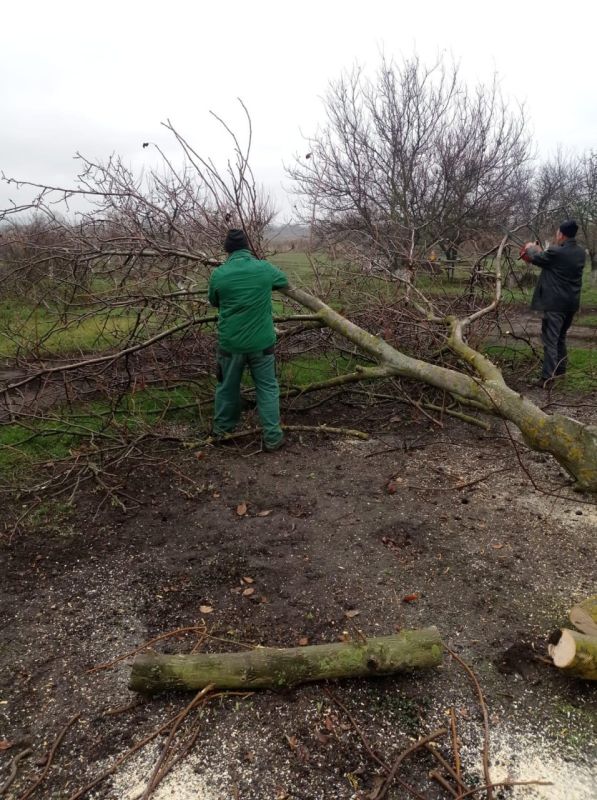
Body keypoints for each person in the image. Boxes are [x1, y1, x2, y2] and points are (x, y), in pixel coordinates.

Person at [207, 228, 289, 450]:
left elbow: (214, 301)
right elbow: (283, 280)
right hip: (262, 344)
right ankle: (273, 437)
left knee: (227, 388)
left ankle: (222, 432)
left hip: (230, 345)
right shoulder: (264, 269)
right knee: (268, 388)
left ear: (227, 250)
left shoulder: (219, 274)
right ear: (247, 247)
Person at [520, 220, 586, 387]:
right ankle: (560, 371)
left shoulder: (556, 252)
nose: (556, 236)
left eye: (557, 233)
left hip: (555, 305)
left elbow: (535, 258)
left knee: (550, 340)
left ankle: (547, 379)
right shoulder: (580, 253)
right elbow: (550, 260)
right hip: (571, 304)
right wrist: (542, 251)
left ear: (562, 235)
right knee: (561, 338)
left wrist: (529, 247)